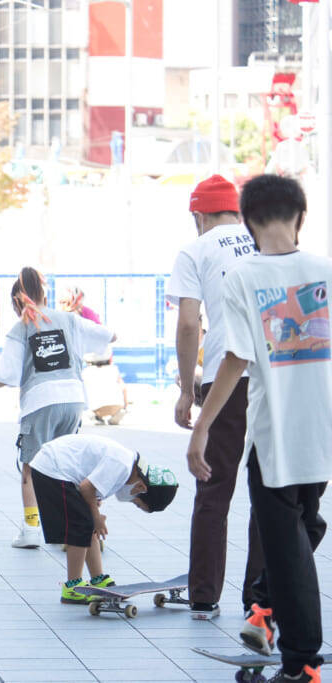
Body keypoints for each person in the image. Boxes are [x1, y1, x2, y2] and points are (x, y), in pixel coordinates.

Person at [187, 175, 331, 683]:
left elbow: (236, 359)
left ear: (247, 222)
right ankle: (266, 608)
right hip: (321, 434)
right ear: (302, 217)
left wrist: (201, 426)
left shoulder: (243, 276)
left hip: (274, 442)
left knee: (290, 542)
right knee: (303, 528)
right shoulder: (326, 270)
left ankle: (301, 663)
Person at [0, 267, 115, 550]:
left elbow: (6, 377)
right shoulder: (69, 319)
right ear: (44, 293)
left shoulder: (21, 328)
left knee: (31, 468)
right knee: (68, 465)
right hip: (73, 400)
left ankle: (31, 530)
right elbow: (109, 336)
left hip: (40, 403)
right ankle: (76, 531)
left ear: (16, 301)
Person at [166, 173, 264, 621]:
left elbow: (189, 324)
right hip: (274, 377)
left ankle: (204, 595)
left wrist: (188, 391)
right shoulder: (264, 238)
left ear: (199, 215)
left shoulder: (196, 250)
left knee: (213, 485)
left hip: (227, 376)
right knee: (270, 486)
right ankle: (261, 601)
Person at [30, 434, 178, 604]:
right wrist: (96, 517)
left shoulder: (127, 467)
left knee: (88, 523)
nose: (132, 502)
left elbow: (91, 490)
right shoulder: (122, 466)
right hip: (54, 468)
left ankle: (98, 578)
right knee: (81, 524)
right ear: (141, 487)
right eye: (137, 503)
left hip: (59, 467)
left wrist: (94, 515)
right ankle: (72, 586)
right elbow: (87, 488)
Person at [82, 349, 128, 426]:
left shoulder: (86, 372)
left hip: (96, 408)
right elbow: (124, 388)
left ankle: (96, 417)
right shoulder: (113, 369)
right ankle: (119, 413)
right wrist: (125, 406)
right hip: (117, 406)